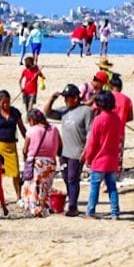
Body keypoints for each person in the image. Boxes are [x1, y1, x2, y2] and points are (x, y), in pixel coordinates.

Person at [45, 84, 91, 218]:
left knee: (73, 178)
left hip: (77, 152)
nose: (65, 100)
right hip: (64, 152)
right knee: (66, 178)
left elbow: (90, 133)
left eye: (67, 98)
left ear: (75, 98)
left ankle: (73, 206)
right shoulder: (64, 111)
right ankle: (71, 202)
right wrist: (52, 99)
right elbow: (47, 113)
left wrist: (85, 151)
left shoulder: (86, 111)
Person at [83, 89, 124, 219]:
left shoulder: (99, 120)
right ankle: (115, 212)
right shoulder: (116, 118)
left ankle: (91, 211)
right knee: (112, 187)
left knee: (94, 188)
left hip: (99, 160)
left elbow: (92, 142)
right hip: (112, 159)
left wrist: (88, 158)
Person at [0, 91, 24, 214]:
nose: (6, 105)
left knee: (16, 172)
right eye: (3, 102)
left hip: (11, 146)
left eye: (8, 102)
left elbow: (22, 129)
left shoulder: (15, 112)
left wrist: (29, 141)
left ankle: (19, 197)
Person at [21, 108, 61, 215]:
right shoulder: (54, 129)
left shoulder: (32, 130)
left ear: (32, 120)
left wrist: (26, 159)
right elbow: (60, 147)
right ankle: (45, 207)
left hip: (37, 163)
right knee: (46, 186)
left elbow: (25, 149)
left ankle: (35, 209)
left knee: (34, 186)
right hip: (51, 162)